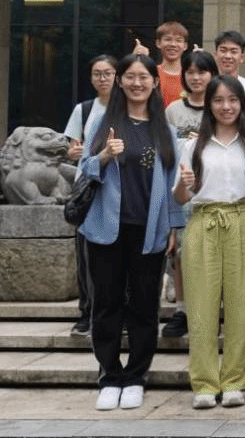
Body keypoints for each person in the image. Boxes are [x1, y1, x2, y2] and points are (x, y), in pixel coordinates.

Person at [78, 54, 182, 411]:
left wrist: (174, 227)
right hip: (106, 229)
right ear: (120, 81)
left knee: (144, 306)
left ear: (155, 82)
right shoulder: (104, 122)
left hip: (149, 230)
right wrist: (105, 155)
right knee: (106, 304)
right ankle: (109, 375)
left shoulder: (164, 129)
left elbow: (174, 183)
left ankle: (137, 375)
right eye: (130, 76)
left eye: (144, 77)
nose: (137, 83)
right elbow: (83, 171)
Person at [174, 76, 245, 409]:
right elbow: (180, 197)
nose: (226, 106)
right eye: (218, 100)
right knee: (200, 307)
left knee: (240, 305)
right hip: (203, 222)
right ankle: (204, 383)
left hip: (241, 220)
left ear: (242, 105)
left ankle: (233, 381)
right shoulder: (193, 146)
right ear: (209, 105)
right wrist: (185, 183)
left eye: (233, 100)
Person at [161, 48, 218, 339]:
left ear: (212, 75)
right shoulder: (173, 110)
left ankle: (212, 310)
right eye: (190, 72)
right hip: (183, 190)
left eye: (202, 72)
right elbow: (166, 156)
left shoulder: (220, 106)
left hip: (215, 190)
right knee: (182, 254)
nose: (196, 78)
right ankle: (182, 311)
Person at [64, 54, 117, 337]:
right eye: (97, 74)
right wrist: (73, 153)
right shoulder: (84, 110)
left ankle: (117, 313)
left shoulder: (127, 108)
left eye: (108, 73)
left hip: (117, 189)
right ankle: (86, 312)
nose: (103, 78)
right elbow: (73, 148)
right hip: (87, 190)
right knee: (85, 255)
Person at [215, 30, 245, 116]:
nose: (228, 56)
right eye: (223, 50)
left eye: (233, 52)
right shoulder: (208, 85)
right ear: (215, 54)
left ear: (242, 57)